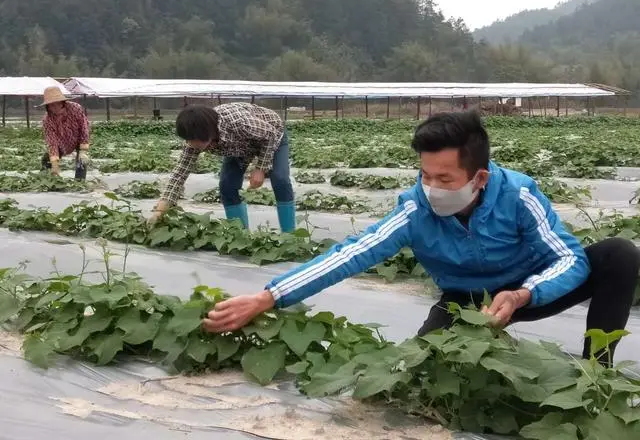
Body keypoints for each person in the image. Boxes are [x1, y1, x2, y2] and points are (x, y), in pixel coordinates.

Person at [203, 110, 640, 364]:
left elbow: (569, 259)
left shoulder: (518, 194)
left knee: (618, 254)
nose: (432, 187)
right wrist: (268, 297)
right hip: (466, 303)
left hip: (531, 290)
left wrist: (525, 293)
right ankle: (479, 342)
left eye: (445, 178)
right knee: (421, 366)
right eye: (424, 174)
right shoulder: (415, 208)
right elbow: (352, 253)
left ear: (480, 177)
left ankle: (596, 371)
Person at [150, 103, 296, 233]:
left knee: (280, 178)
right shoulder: (194, 142)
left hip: (272, 134)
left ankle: (290, 235)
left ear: (208, 132)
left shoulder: (239, 122)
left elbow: (269, 134)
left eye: (194, 139)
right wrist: (160, 209)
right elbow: (180, 173)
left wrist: (261, 168)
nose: (191, 143)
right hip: (239, 148)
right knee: (227, 186)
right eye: (188, 139)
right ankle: (240, 235)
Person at [40, 86, 90, 180]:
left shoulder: (75, 108)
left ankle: (79, 183)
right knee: (47, 160)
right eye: (51, 105)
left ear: (61, 102)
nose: (54, 107)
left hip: (78, 139)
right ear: (47, 106)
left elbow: (84, 127)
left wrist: (83, 150)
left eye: (56, 103)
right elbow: (52, 141)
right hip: (60, 142)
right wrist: (54, 164)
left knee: (82, 161)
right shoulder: (47, 120)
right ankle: (47, 180)